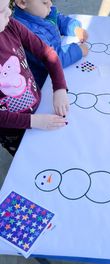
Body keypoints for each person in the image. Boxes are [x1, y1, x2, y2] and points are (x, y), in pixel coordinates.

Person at [0, 0, 69, 156]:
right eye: (2, 10)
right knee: (28, 158)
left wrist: (59, 88)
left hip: (39, 105)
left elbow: (47, 53)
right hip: (12, 131)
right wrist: (33, 121)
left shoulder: (10, 25)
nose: (10, 13)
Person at [13, 0, 89, 88]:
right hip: (43, 83)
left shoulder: (39, 11)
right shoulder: (27, 32)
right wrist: (78, 50)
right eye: (44, 2)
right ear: (22, 3)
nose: (50, 4)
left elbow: (58, 19)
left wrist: (74, 28)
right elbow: (52, 60)